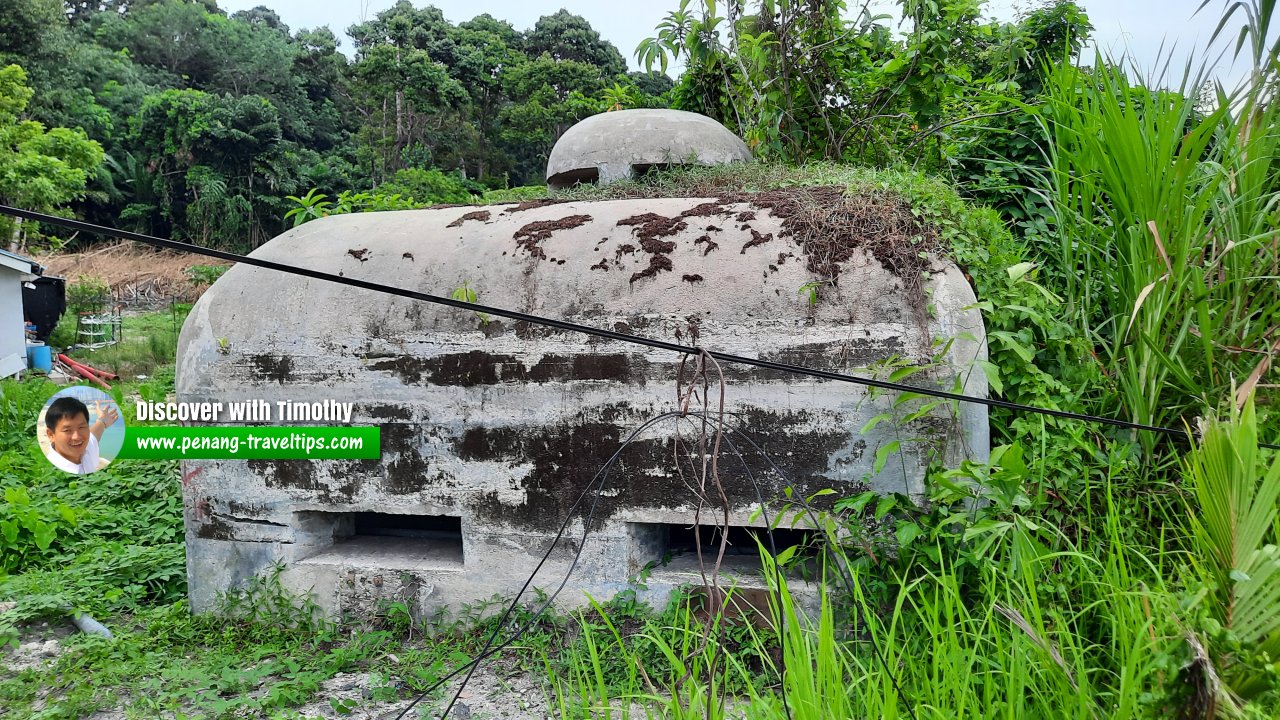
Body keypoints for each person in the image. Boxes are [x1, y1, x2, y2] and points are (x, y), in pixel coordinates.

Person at [44, 397, 119, 475]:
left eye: (81, 427)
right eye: (67, 430)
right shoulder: (52, 473)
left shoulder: (86, 447)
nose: (77, 437)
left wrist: (102, 421)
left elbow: (94, 435)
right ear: (51, 434)